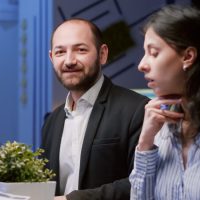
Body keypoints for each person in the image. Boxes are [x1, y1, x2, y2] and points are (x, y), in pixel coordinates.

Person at [41, 18, 149, 200]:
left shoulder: (137, 109)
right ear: (52, 58)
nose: (69, 61)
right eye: (60, 52)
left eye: (80, 50)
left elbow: (142, 183)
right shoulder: (52, 121)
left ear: (102, 54)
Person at [129, 5, 200, 199]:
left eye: (154, 53)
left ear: (188, 56)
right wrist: (145, 144)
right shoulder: (159, 129)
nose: (141, 65)